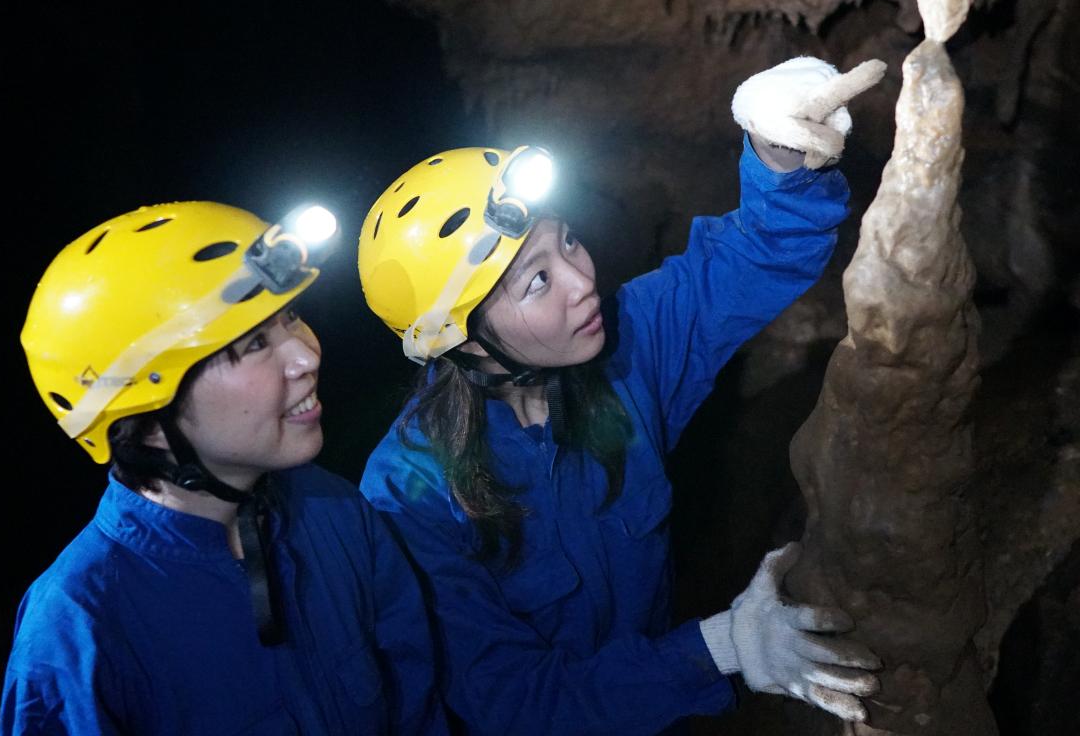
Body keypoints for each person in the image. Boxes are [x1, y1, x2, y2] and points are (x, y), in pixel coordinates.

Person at [355, 58, 884, 734]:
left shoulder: (622, 351)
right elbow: (512, 703)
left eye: (567, 241)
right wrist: (720, 646)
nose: (581, 278)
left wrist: (778, 153)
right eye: (536, 282)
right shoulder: (409, 497)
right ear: (465, 340)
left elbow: (753, 257)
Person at [1, 201, 447, 735]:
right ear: (147, 421)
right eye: (255, 343)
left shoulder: (337, 513)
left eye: (290, 317)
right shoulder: (80, 627)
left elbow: (419, 708)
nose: (306, 356)